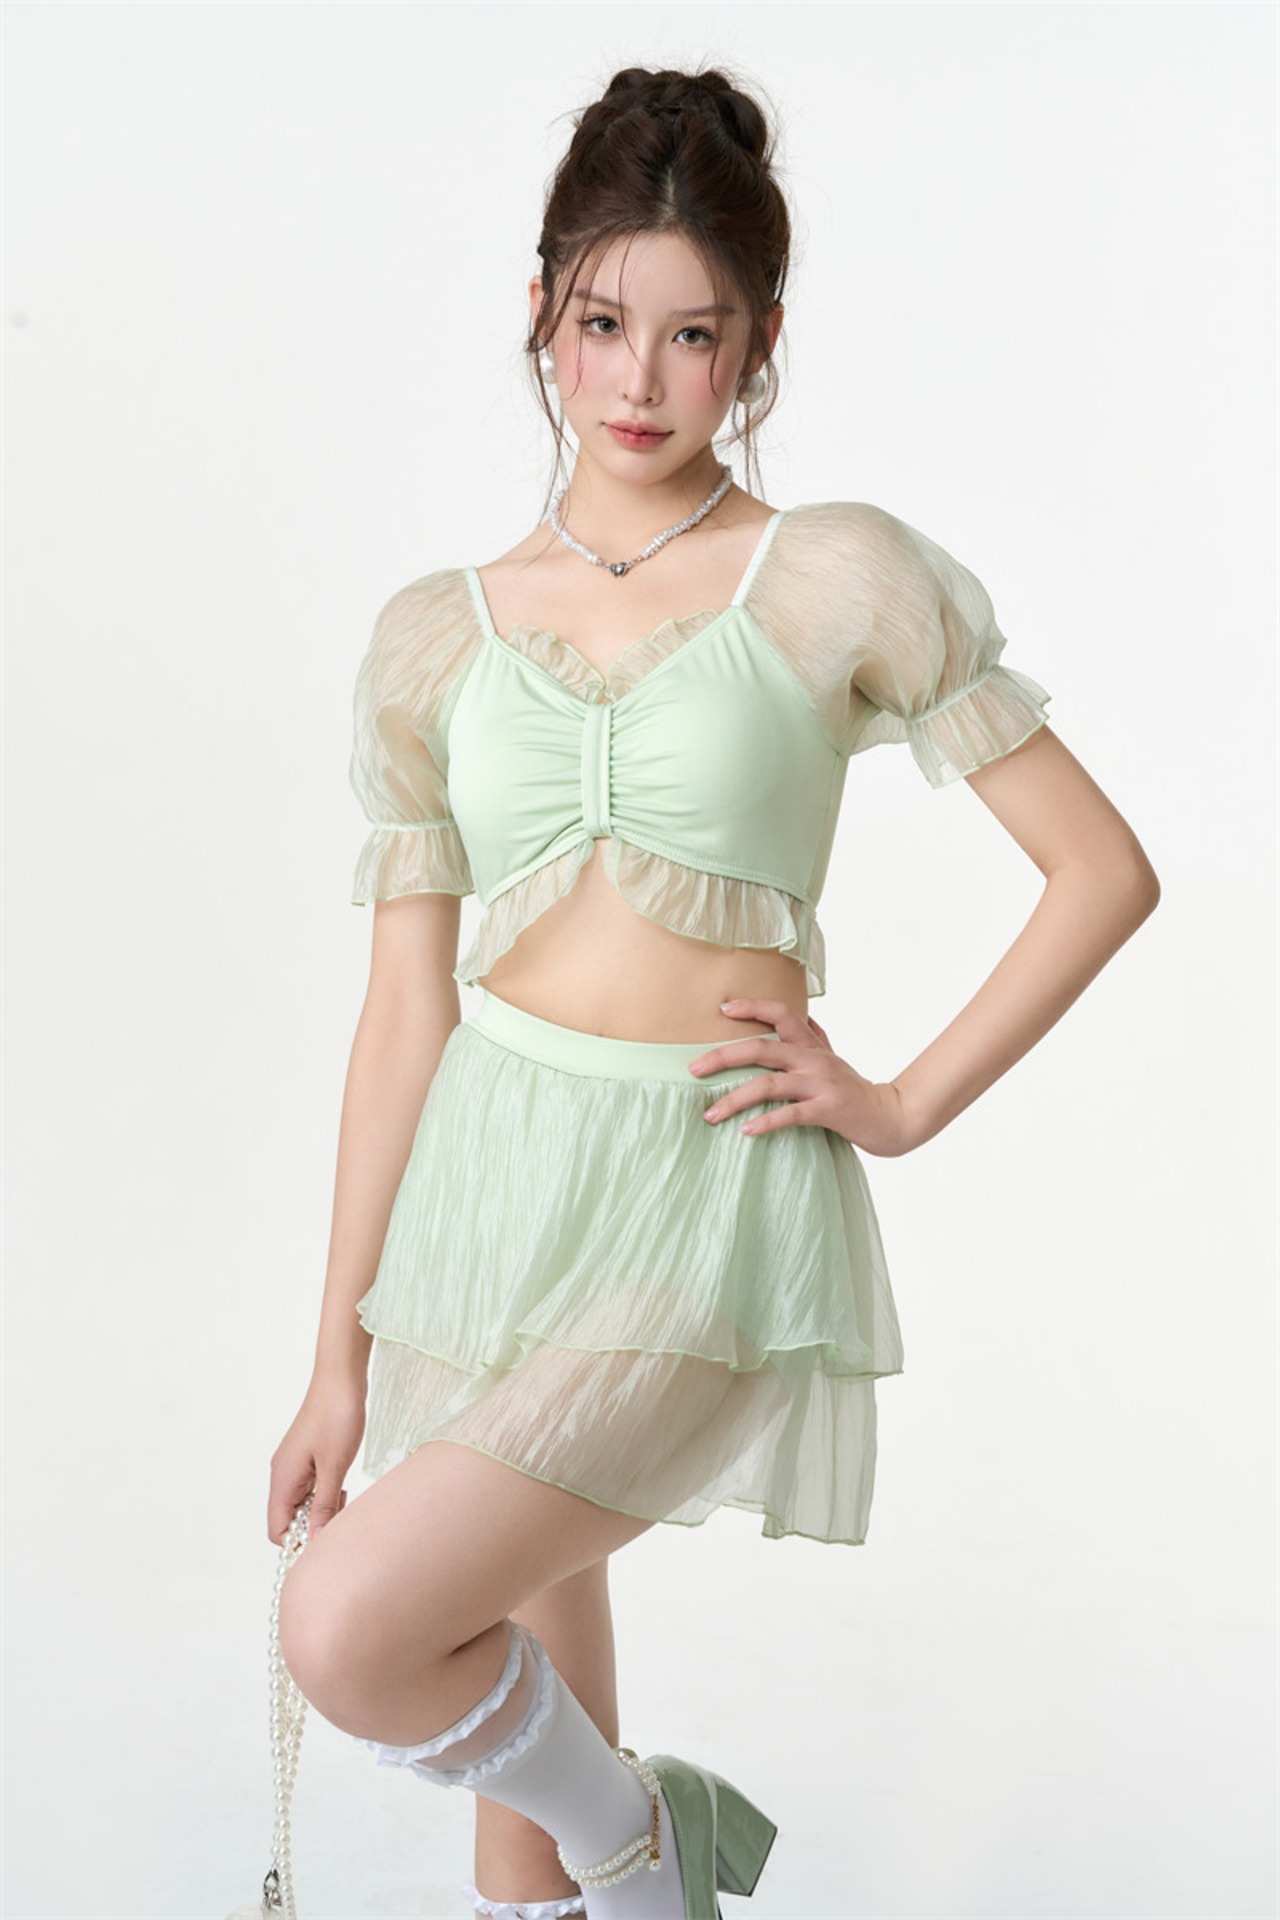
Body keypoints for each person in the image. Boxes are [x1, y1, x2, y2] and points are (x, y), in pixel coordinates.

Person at [265, 62, 1160, 1920]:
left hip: (705, 1191)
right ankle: (608, 1874)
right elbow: (404, 1017)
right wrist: (336, 1354)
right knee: (512, 1812)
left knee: (349, 1629)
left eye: (694, 334)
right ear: (541, 311)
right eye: (603, 323)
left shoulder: (830, 577)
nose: (640, 380)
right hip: (492, 1194)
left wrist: (896, 1104)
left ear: (760, 341)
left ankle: (642, 1841)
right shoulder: (440, 634)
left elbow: (1101, 872)